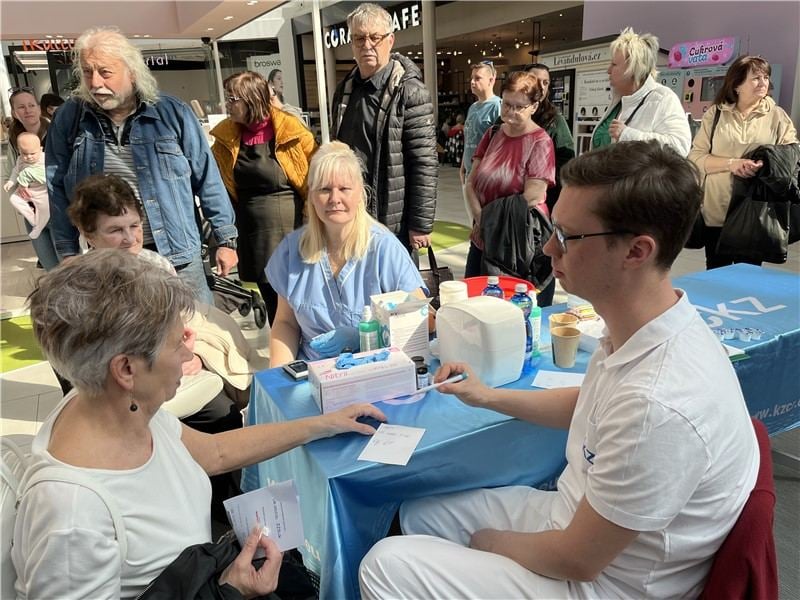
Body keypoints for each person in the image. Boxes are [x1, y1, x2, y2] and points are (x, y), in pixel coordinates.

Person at [359, 140, 758, 599]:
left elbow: (577, 560)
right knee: (418, 515)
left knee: (383, 567)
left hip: (607, 583)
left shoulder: (659, 401)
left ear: (636, 252)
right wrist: (486, 395)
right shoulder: (647, 325)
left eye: (567, 237)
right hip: (579, 521)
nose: (548, 247)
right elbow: (592, 405)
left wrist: (488, 545)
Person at [12, 249, 387, 599]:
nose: (189, 353)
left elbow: (215, 451)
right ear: (126, 369)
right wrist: (229, 590)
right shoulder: (71, 514)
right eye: (177, 343)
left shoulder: (113, 406)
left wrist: (323, 423)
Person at [46, 26, 238, 305]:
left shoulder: (172, 113)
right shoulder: (70, 118)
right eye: (87, 72)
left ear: (132, 72)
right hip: (110, 261)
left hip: (178, 255)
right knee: (126, 329)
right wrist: (67, 251)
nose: (95, 82)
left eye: (105, 72)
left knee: (194, 324)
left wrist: (225, 240)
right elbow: (56, 187)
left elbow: (207, 178)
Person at [267, 141, 426, 366]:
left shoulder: (384, 249)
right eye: (324, 189)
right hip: (313, 371)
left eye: (344, 189)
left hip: (375, 368)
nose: (335, 199)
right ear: (311, 195)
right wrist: (279, 374)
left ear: (360, 193)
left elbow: (424, 319)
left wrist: (364, 334)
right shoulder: (291, 252)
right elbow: (286, 323)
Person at [330, 2, 438, 256]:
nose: (367, 45)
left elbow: (424, 161)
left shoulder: (410, 91)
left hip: (393, 220)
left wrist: (420, 224)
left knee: (393, 281)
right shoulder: (345, 90)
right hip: (351, 215)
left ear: (390, 40)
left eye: (375, 37)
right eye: (359, 38)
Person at [211, 71, 317, 325]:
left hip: (290, 228)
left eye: (232, 99)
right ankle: (281, 343)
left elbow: (316, 173)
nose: (227, 104)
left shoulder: (291, 129)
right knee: (271, 299)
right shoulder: (225, 137)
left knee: (299, 297)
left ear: (252, 100)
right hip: (251, 231)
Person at [688, 55, 798, 269]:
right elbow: (696, 157)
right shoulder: (716, 114)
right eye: (756, 78)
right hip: (717, 210)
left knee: (747, 275)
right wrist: (732, 164)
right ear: (737, 85)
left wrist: (765, 165)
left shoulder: (777, 116)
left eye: (766, 77)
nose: (763, 82)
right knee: (716, 272)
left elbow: (791, 156)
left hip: (755, 211)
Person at [464, 71, 555, 304]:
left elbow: (533, 196)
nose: (510, 112)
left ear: (534, 107)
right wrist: (481, 220)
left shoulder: (540, 142)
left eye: (519, 107)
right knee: (475, 304)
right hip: (483, 235)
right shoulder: (493, 133)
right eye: (506, 104)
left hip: (518, 241)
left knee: (515, 309)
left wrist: (488, 222)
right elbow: (471, 182)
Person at [591, 27, 691, 156]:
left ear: (633, 69)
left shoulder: (663, 98)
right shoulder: (619, 100)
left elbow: (679, 147)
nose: (608, 70)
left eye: (614, 65)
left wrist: (627, 134)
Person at [7, 87, 59, 270]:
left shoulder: (56, 132)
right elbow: (12, 170)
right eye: (21, 107)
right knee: (49, 264)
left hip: (58, 208)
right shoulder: (15, 139)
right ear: (14, 113)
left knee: (69, 265)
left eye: (31, 105)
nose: (27, 110)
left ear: (38, 108)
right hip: (32, 209)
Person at [525, 63, 575, 212]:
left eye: (545, 82)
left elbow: (566, 161)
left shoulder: (555, 120)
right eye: (535, 80)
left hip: (543, 201)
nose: (541, 87)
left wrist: (542, 181)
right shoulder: (507, 117)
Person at [461, 62, 501, 211]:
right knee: (472, 219)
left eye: (477, 78)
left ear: (491, 80)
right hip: (469, 173)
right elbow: (469, 137)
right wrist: (463, 167)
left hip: (485, 176)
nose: (472, 82)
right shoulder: (473, 107)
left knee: (483, 219)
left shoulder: (497, 106)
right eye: (471, 78)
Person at [4, 132, 49, 240]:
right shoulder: (20, 160)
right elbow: (15, 171)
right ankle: (34, 221)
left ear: (41, 149)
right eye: (24, 153)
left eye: (32, 153)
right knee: (14, 199)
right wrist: (11, 182)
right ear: (19, 151)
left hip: (42, 192)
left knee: (45, 209)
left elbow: (46, 174)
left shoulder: (44, 158)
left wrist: (25, 176)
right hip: (26, 192)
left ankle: (39, 226)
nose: (28, 157)